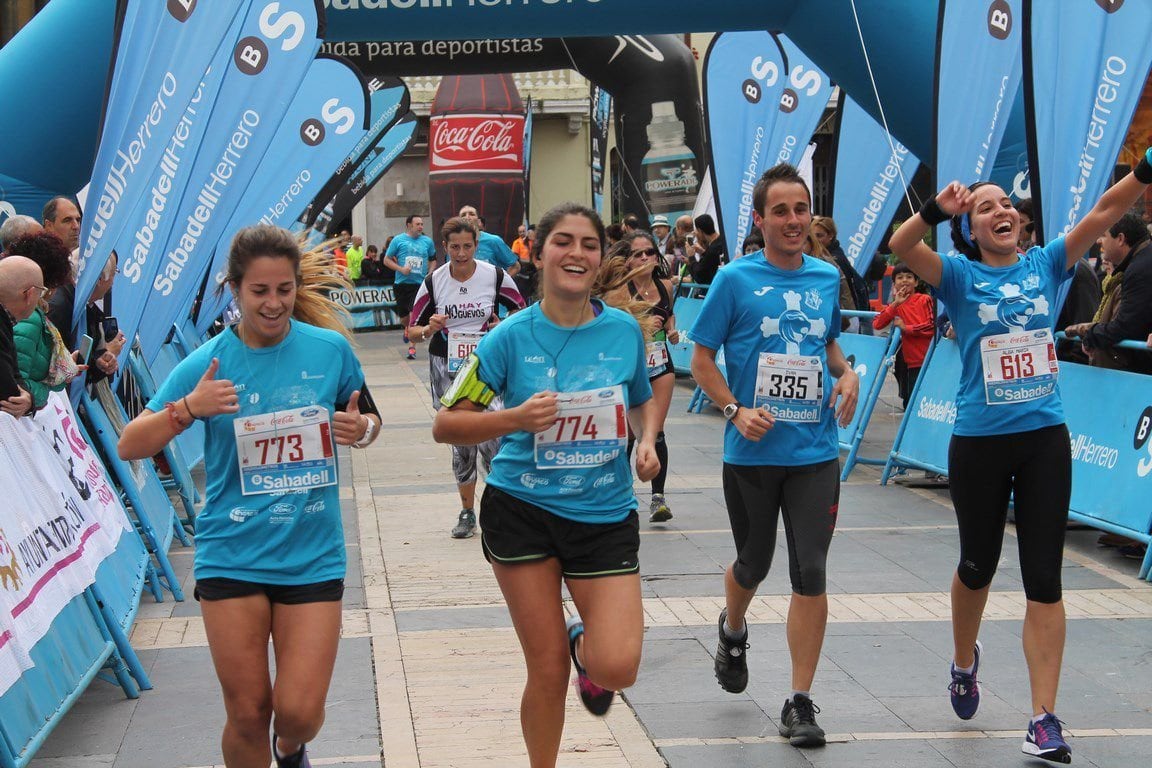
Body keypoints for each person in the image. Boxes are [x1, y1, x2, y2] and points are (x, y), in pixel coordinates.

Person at [887, 151, 1152, 763]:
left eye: (1006, 203)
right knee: (977, 566)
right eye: (985, 208)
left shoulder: (1045, 264)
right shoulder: (955, 275)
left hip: (1043, 439)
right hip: (979, 442)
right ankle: (962, 660)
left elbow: (1107, 210)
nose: (1001, 210)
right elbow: (904, 244)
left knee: (1044, 577)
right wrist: (936, 206)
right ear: (970, 230)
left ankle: (1043, 718)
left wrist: (1144, 168)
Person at [117, 224, 382, 768]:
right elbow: (129, 444)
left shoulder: (328, 351)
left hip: (311, 553)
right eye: (259, 291)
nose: (273, 303)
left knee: (299, 713)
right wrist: (188, 408)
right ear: (235, 290)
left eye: (283, 289)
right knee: (247, 712)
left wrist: (364, 430)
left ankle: (290, 749)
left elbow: (369, 416)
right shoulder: (209, 363)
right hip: (232, 550)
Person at [432, 202, 660, 768]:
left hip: (603, 514)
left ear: (600, 257)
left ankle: (583, 640)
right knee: (547, 667)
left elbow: (642, 397)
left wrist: (649, 439)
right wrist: (513, 418)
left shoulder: (624, 331)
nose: (576, 253)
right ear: (539, 251)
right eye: (563, 241)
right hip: (522, 509)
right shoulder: (509, 337)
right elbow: (448, 423)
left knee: (618, 666)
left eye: (587, 243)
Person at [690, 163, 859, 749]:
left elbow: (828, 344)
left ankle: (800, 701)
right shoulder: (734, 280)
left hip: (815, 452)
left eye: (800, 209)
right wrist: (736, 410)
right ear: (760, 219)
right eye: (780, 211)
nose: (793, 221)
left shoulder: (824, 276)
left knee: (810, 570)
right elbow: (702, 360)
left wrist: (848, 374)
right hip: (753, 453)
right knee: (753, 564)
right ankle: (733, 629)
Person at [408, 216, 525, 538]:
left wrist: (500, 326)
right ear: (444, 247)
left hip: (486, 365)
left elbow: (521, 311)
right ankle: (466, 512)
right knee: (461, 443)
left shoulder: (495, 276)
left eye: (468, 246)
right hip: (446, 364)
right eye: (454, 247)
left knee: (493, 437)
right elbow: (411, 330)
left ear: (477, 245)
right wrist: (428, 328)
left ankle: (500, 508)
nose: (461, 253)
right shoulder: (434, 281)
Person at [600, 231, 679, 522]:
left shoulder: (666, 285)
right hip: (631, 367)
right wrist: (642, 323)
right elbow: (611, 328)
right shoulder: (619, 291)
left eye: (649, 252)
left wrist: (671, 330)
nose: (645, 258)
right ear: (628, 259)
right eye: (638, 253)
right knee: (630, 432)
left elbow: (669, 315)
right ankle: (622, 491)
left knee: (655, 430)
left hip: (661, 363)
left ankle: (658, 498)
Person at [1064, 213, 1151, 374]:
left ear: (1120, 239)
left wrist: (1091, 335)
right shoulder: (1140, 262)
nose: (1098, 241)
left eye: (1103, 235)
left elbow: (1126, 326)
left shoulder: (1139, 268)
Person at [8, 232, 83, 408]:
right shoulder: (29, 318)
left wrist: (61, 370)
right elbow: (16, 388)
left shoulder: (35, 315)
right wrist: (42, 393)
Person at [872, 263, 935, 409]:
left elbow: (932, 326)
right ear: (894, 284)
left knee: (929, 401)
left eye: (909, 277)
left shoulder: (925, 299)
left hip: (929, 358)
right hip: (911, 362)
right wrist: (895, 304)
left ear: (916, 282)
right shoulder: (896, 305)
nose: (905, 280)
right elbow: (877, 324)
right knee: (910, 401)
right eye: (900, 278)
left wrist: (907, 328)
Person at [383, 215, 437, 360]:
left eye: (422, 224)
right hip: (401, 284)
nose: (420, 227)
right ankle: (406, 329)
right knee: (404, 318)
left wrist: (429, 274)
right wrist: (401, 269)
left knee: (414, 315)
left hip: (419, 285)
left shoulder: (427, 241)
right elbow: (386, 260)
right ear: (409, 225)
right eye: (417, 224)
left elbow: (433, 260)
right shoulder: (398, 240)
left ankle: (412, 347)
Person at [0, 255, 43, 416]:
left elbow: (16, 377)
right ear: (30, 295)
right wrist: (28, 400)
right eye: (41, 293)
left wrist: (28, 399)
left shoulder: (6, 322)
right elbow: (9, 396)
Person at [459, 205, 520, 276]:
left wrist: (500, 284)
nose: (467, 217)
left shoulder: (494, 240)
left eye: (472, 214)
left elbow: (516, 266)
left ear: (478, 221)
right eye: (463, 215)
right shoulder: (454, 245)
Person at [689, 213, 726, 285]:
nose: (695, 233)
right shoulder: (723, 240)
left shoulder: (713, 249)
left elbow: (699, 276)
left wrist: (691, 257)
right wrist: (703, 253)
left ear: (700, 230)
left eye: (696, 230)